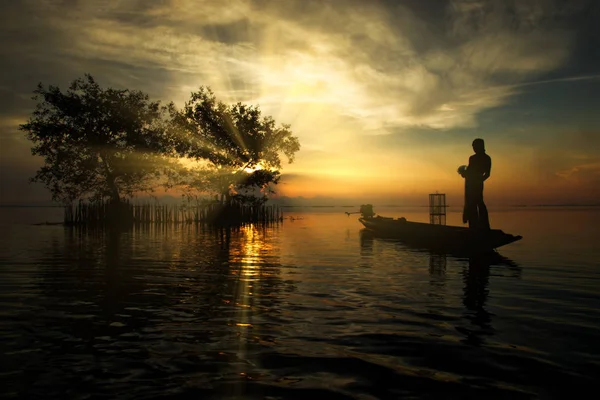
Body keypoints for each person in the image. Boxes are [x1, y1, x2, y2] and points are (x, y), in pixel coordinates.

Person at [460, 138, 491, 230]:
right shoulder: (472, 158)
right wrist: (464, 174)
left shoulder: (486, 158)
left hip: (477, 184)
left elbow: (487, 174)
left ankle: (484, 226)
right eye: (473, 146)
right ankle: (473, 226)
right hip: (470, 183)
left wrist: (479, 180)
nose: (473, 148)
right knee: (471, 204)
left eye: (475, 146)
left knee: (479, 202)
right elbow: (469, 171)